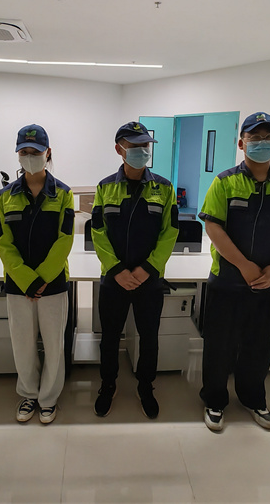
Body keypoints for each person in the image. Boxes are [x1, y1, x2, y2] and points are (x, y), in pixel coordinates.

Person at [199, 112, 270, 432]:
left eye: (268, 137)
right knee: (219, 344)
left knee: (260, 343)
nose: (262, 143)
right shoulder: (225, 181)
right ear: (242, 143)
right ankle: (214, 400)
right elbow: (214, 227)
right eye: (255, 137)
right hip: (228, 278)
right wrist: (244, 265)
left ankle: (253, 399)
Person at [91, 121, 179, 419]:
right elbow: (98, 231)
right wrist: (117, 269)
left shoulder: (164, 188)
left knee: (149, 337)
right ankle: (107, 384)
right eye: (134, 146)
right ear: (120, 149)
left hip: (149, 279)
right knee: (110, 337)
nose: (142, 151)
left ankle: (145, 386)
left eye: (145, 146)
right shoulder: (105, 187)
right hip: (113, 278)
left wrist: (148, 269)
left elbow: (170, 232)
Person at [0, 124, 74, 424]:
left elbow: (65, 239)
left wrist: (41, 279)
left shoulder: (63, 193)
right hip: (18, 284)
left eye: (35, 151)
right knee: (23, 344)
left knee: (54, 345)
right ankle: (28, 394)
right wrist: (27, 280)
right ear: (17, 154)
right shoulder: (5, 196)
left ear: (47, 153)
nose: (29, 157)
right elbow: (3, 242)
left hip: (53, 283)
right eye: (24, 152)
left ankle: (49, 398)